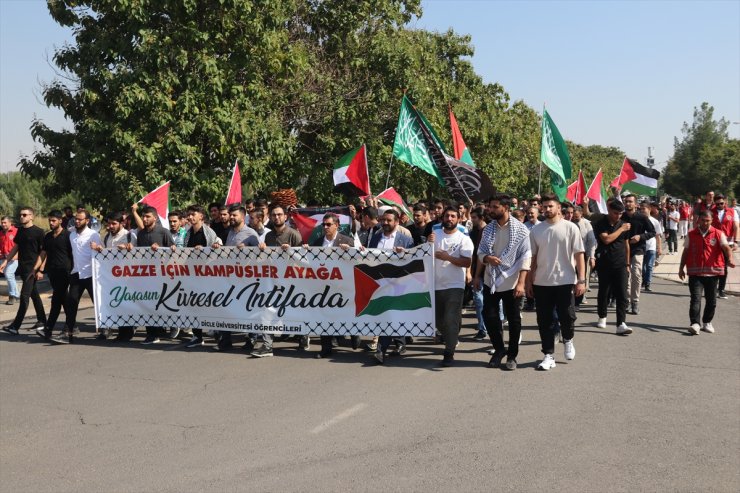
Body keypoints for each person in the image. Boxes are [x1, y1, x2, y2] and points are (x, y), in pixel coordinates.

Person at [525, 194, 585, 371]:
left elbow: (579, 255)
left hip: (565, 281)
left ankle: (568, 339)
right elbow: (533, 259)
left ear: (559, 208)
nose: (547, 209)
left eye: (550, 206)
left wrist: (581, 280)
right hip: (542, 282)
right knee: (545, 321)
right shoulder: (536, 230)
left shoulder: (570, 228)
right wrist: (529, 281)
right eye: (544, 206)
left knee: (567, 316)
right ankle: (548, 355)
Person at [474, 194, 531, 370]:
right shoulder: (488, 229)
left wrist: (521, 283)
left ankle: (512, 356)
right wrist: (479, 272)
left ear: (506, 208)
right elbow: (480, 253)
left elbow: (525, 257)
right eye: (490, 206)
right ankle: (499, 349)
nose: (491, 210)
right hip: (491, 280)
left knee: (514, 319)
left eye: (495, 207)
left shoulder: (521, 230)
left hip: (512, 281)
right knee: (489, 316)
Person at [252, 205, 304, 358]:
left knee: (295, 312)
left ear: (285, 217)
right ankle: (267, 345)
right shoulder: (268, 236)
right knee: (268, 310)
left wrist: (291, 252)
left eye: (280, 215)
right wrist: (263, 250)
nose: (277, 217)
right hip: (273, 282)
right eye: (274, 215)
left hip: (292, 282)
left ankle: (303, 338)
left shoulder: (294, 235)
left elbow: (303, 260)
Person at [428, 206, 473, 367]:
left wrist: (448, 257)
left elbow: (467, 262)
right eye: (447, 216)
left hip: (455, 284)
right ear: (442, 218)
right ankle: (453, 332)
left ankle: (449, 352)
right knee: (438, 320)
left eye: (453, 216)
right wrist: (428, 244)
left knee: (450, 318)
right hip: (435, 283)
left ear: (459, 219)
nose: (450, 219)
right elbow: (425, 254)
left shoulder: (464, 239)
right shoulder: (434, 236)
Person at [368, 209, 415, 364]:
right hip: (380, 283)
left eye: (389, 220)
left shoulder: (405, 240)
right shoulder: (375, 238)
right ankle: (399, 343)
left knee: (391, 314)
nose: (385, 223)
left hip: (398, 283)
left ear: (397, 222)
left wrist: (405, 253)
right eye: (383, 220)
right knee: (386, 315)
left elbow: (413, 260)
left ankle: (381, 350)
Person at [307, 212, 355, 359]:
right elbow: (310, 261)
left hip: (343, 286)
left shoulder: (347, 241)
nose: (326, 227)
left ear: (337, 226)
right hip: (324, 286)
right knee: (324, 316)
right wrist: (305, 250)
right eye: (324, 224)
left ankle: (354, 335)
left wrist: (350, 251)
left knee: (346, 314)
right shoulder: (317, 242)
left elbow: (356, 261)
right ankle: (325, 348)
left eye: (329, 224)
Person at [678, 211, 735, 334]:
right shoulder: (691, 234)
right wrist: (681, 267)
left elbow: (726, 248)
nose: (705, 223)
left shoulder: (718, 234)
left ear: (711, 221)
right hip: (695, 273)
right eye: (703, 220)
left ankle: (707, 322)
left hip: (712, 273)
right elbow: (686, 252)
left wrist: (730, 259)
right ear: (698, 220)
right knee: (695, 299)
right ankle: (695, 323)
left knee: (711, 300)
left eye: (707, 220)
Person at [50, 210, 101, 344]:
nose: (77, 221)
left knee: (97, 303)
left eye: (80, 219)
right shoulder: (72, 235)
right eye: (76, 219)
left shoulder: (94, 235)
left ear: (87, 221)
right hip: (76, 274)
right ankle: (68, 333)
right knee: (72, 304)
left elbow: (101, 252)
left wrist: (97, 248)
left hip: (91, 275)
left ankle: (104, 328)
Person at [214, 204, 259, 351]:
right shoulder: (230, 233)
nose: (232, 218)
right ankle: (225, 340)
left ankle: (252, 339)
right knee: (227, 308)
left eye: (235, 215)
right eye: (230, 215)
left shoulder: (251, 233)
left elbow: (260, 255)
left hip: (247, 280)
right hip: (230, 278)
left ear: (243, 216)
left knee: (249, 310)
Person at [179, 205, 224, 348]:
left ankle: (219, 333)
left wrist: (204, 250)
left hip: (208, 276)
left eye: (193, 214)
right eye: (189, 214)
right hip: (193, 275)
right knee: (194, 306)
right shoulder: (188, 233)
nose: (190, 217)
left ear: (201, 217)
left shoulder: (208, 232)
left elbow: (216, 248)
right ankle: (197, 336)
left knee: (211, 306)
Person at [0, 207, 46, 335]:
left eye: (25, 215)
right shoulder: (20, 231)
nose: (22, 217)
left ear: (32, 216)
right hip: (23, 268)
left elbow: (44, 252)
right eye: (20, 215)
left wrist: (40, 269)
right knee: (34, 295)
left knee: (24, 296)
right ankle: (42, 321)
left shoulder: (39, 232)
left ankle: (15, 326)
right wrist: (5, 262)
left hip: (33, 269)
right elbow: (16, 247)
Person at [93, 211, 137, 341]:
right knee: (115, 303)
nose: (110, 226)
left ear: (121, 223)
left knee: (126, 304)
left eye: (114, 223)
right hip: (111, 277)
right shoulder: (107, 237)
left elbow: (137, 251)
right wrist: (98, 249)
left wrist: (129, 247)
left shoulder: (129, 236)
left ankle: (127, 331)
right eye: (109, 224)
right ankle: (114, 330)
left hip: (127, 276)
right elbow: (104, 252)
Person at [133, 204, 173, 344]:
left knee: (163, 304)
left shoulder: (164, 232)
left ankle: (166, 329)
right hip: (147, 276)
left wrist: (161, 249)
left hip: (163, 276)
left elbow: (173, 252)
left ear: (155, 218)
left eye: (147, 216)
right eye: (143, 216)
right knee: (148, 304)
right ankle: (152, 334)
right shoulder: (141, 234)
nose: (144, 219)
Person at [32, 210, 73, 340]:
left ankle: (48, 329)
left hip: (65, 271)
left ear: (61, 221)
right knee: (64, 299)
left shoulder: (68, 235)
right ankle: (71, 326)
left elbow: (74, 255)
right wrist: (36, 269)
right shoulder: (48, 236)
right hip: (53, 272)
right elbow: (43, 254)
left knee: (56, 300)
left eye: (54, 220)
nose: (51, 223)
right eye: (50, 220)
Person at [593, 200, 632, 334]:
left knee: (622, 294)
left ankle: (621, 323)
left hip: (620, 264)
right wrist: (621, 229)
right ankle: (602, 316)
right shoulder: (601, 223)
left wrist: (627, 264)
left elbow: (626, 245)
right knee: (604, 291)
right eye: (616, 213)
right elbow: (606, 239)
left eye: (621, 213)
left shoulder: (624, 224)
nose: (618, 216)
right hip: (604, 263)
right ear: (609, 210)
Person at [621, 194, 656, 315]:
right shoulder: (621, 217)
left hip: (638, 250)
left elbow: (652, 232)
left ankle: (635, 302)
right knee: (626, 276)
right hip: (623, 250)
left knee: (636, 274)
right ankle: (626, 300)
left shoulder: (642, 217)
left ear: (636, 204)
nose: (628, 204)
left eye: (630, 201)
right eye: (626, 201)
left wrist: (640, 237)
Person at [711, 194, 738, 299]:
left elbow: (736, 227)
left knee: (724, 267)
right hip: (714, 242)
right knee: (713, 266)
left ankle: (721, 290)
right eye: (717, 204)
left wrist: (736, 241)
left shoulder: (732, 211)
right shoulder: (711, 212)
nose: (719, 205)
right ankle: (712, 289)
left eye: (721, 203)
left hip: (728, 243)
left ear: (725, 202)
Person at [641, 202, 663, 292]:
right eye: (641, 209)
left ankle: (647, 284)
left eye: (644, 209)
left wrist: (659, 248)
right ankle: (643, 279)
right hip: (641, 247)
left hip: (651, 246)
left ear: (649, 209)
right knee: (642, 267)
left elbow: (658, 236)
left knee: (649, 266)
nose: (642, 211)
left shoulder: (655, 221)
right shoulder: (639, 220)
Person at [0, 216, 19, 305]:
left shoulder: (16, 231)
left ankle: (12, 296)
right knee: (9, 276)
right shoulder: (1, 233)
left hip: (14, 257)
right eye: (2, 222)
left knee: (9, 274)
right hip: (3, 258)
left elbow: (21, 245)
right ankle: (17, 294)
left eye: (5, 222)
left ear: (10, 222)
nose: (3, 224)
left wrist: (17, 255)